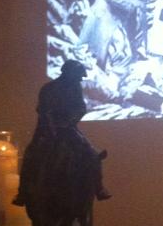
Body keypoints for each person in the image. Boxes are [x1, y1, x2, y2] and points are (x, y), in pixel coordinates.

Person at [14, 59, 110, 206]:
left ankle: (99, 188)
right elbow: (43, 110)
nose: (79, 80)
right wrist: (52, 125)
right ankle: (23, 193)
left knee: (92, 154)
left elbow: (81, 108)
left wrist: (69, 121)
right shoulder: (48, 88)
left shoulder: (75, 88)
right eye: (78, 76)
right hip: (46, 129)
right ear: (69, 74)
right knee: (30, 155)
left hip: (68, 128)